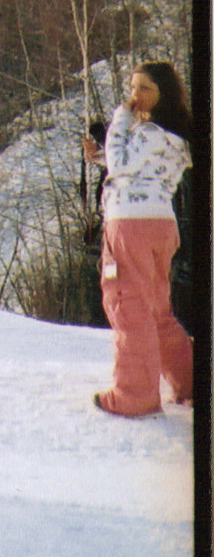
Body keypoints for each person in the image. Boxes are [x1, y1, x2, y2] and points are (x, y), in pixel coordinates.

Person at [82, 62, 195, 416]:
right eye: (132, 88)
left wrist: (120, 120)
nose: (135, 96)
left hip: (130, 225)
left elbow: (122, 163)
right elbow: (139, 168)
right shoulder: (174, 137)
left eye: (145, 88)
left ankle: (135, 394)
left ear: (163, 96)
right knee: (157, 310)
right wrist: (100, 156)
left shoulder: (145, 130)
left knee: (128, 307)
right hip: (161, 226)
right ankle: (192, 383)